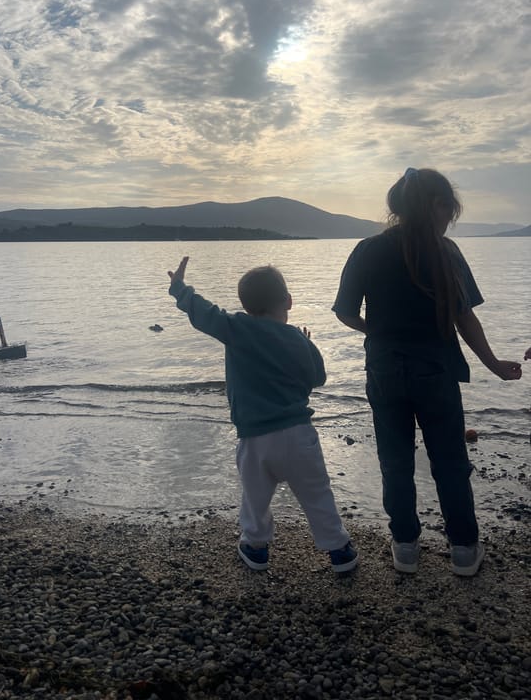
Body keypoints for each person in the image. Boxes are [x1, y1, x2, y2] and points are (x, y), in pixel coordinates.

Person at [333, 168, 522, 577]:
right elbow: (463, 317)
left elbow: (346, 312)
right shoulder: (446, 251)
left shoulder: (368, 249)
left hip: (384, 371)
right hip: (435, 372)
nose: (448, 218)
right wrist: (492, 363)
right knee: (450, 461)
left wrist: (378, 331)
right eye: (448, 209)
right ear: (436, 205)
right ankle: (464, 552)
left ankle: (405, 548)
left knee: (394, 461)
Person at [168, 256, 357, 573]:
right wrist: (307, 346)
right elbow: (317, 378)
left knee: (255, 499)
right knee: (317, 494)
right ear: (289, 301)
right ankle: (340, 550)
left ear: (246, 305)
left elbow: (205, 314)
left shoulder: (238, 328)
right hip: (299, 435)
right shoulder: (297, 339)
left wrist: (180, 289)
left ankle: (256, 548)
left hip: (255, 438)